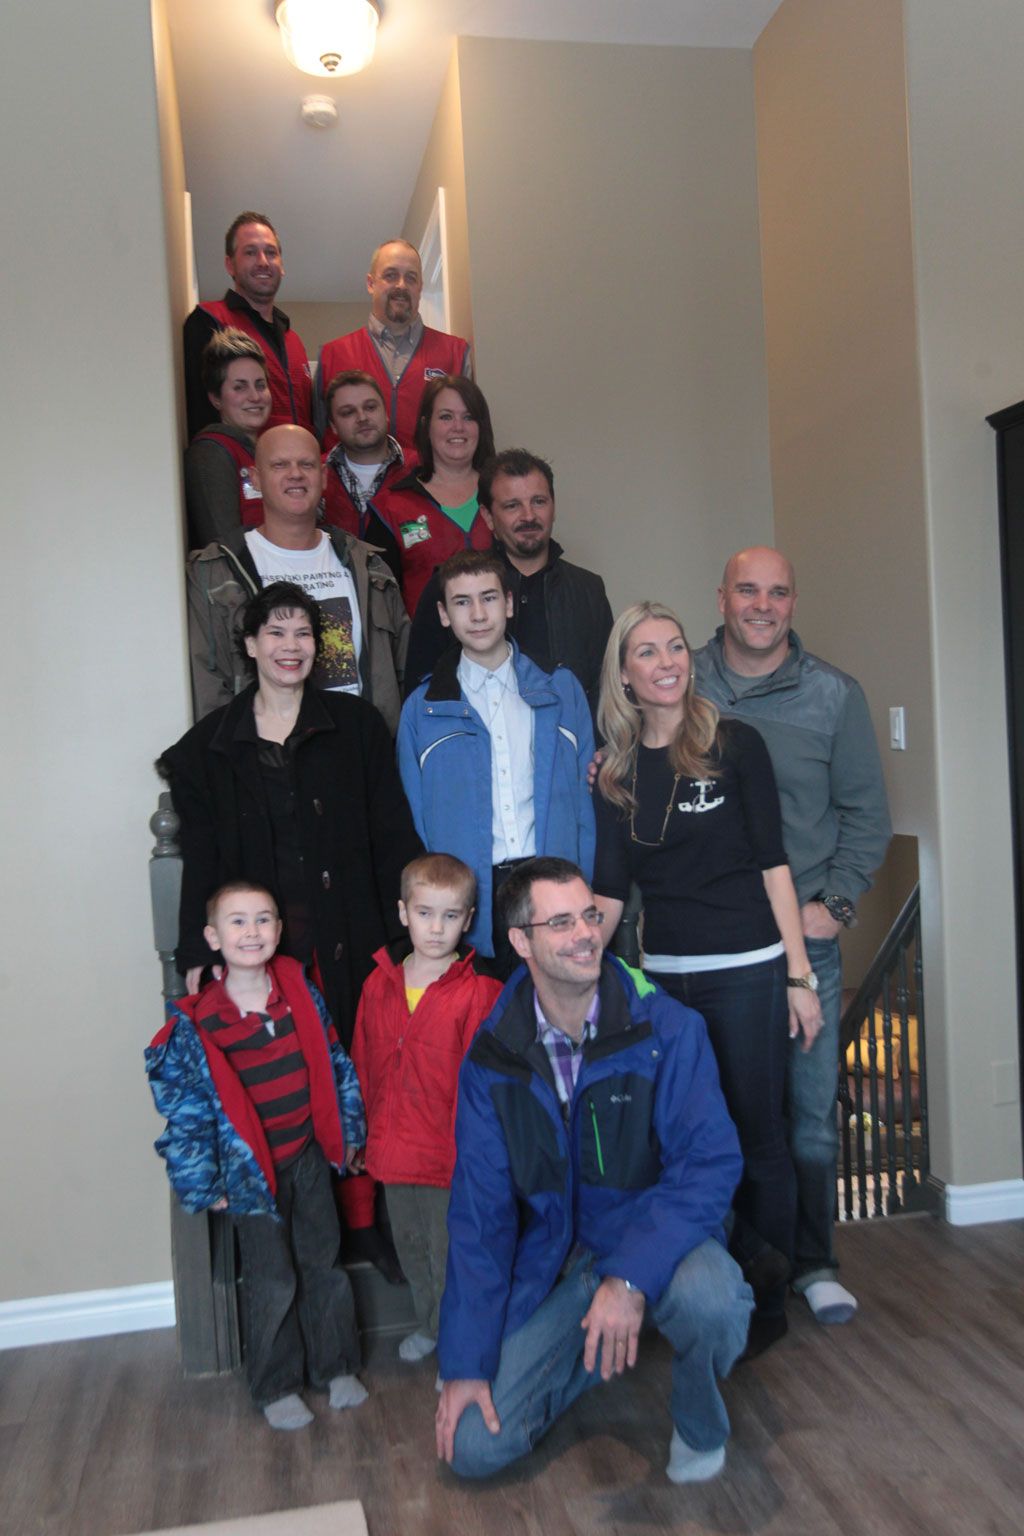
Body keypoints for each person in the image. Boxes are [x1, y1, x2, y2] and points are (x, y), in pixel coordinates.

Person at [435, 857, 752, 1483]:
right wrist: (466, 1364)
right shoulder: (493, 1057)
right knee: (471, 1448)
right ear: (521, 942)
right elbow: (479, 1217)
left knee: (713, 1301)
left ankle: (698, 1417)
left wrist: (630, 1279)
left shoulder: (668, 1028)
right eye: (561, 922)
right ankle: (591, 1348)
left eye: (589, 915)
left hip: (653, 1237)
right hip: (556, 1263)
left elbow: (710, 1166)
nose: (586, 933)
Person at [161, 581, 422, 1276]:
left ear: (320, 647)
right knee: (296, 1092)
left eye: (303, 633)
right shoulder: (210, 749)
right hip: (269, 955)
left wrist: (407, 930)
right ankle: (314, 1242)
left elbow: (391, 830)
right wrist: (197, 944)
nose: (290, 646)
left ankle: (371, 1227)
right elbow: (205, 858)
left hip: (354, 933)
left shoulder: (357, 725)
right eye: (275, 633)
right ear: (249, 645)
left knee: (362, 1081)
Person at [592, 601, 822, 1357]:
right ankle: (709, 1289)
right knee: (687, 1141)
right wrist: (572, 959)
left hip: (748, 971)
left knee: (759, 1135)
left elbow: (774, 863)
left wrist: (798, 975)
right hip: (666, 982)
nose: (666, 663)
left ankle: (769, 1303)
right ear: (623, 673)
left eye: (675, 648)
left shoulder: (733, 744)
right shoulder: (617, 772)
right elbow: (610, 887)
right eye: (646, 653)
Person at [694, 547, 891, 1327]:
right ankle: (733, 1263)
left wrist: (834, 907)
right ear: (722, 597)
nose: (763, 605)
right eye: (748, 589)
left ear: (793, 604)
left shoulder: (833, 696)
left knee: (808, 1115)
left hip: (801, 943)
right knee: (721, 1110)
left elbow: (867, 815)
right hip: (711, 941)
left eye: (778, 592)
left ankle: (813, 1263)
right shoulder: (685, 681)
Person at [145, 880, 368, 1430]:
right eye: (238, 922)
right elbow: (189, 1114)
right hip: (250, 1177)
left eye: (264, 919)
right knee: (272, 1280)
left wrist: (350, 1127)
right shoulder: (197, 1024)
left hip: (307, 1158)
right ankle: (275, 1384)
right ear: (212, 936)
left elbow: (336, 1062)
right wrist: (203, 1181)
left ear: (279, 930)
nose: (252, 932)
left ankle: (336, 1365)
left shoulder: (298, 992)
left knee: (324, 1266)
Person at [398, 551, 595, 975]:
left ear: (508, 603)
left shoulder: (560, 690)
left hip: (550, 884)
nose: (478, 614)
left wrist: (584, 892)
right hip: (471, 897)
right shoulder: (423, 708)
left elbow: (584, 804)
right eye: (462, 602)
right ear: (444, 614)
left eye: (488, 598)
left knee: (557, 1021)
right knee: (486, 1025)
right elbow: (418, 819)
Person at [350, 854, 502, 1364]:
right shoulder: (380, 983)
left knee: (451, 1253)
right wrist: (358, 1132)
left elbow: (484, 1084)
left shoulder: (479, 992)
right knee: (413, 1248)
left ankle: (461, 1347)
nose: (436, 929)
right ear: (403, 913)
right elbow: (364, 1060)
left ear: (469, 918)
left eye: (450, 916)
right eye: (424, 913)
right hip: (394, 1149)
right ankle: (430, 1325)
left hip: (449, 1154)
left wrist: (478, 1150)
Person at [187, 424, 408, 731]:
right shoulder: (215, 572)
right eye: (280, 464)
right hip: (267, 761)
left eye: (306, 464)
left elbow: (403, 670)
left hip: (359, 755)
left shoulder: (369, 567)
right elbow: (207, 684)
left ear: (324, 477)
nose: (295, 474)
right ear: (255, 479)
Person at [404, 449, 613, 713]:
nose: (528, 516)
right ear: (488, 517)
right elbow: (421, 693)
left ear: (553, 506)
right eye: (512, 505)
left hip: (573, 749)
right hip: (476, 748)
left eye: (539, 501)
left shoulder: (588, 590)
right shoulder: (449, 586)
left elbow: (608, 690)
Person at [316, 238, 471, 455]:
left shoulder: (455, 353)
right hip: (353, 487)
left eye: (411, 277)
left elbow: (468, 435)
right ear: (371, 283)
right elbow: (319, 438)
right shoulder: (332, 355)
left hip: (429, 486)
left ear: (420, 287)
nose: (401, 285)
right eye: (390, 275)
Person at [184, 211, 312, 438]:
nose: (263, 262)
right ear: (230, 265)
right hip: (241, 468)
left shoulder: (294, 341)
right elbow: (200, 417)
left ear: (281, 265)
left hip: (296, 468)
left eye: (271, 253)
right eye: (251, 252)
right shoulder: (208, 320)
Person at [375, 375, 496, 616]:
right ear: (425, 425)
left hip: (502, 648)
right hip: (426, 650)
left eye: (468, 417)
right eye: (446, 417)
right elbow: (382, 608)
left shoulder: (502, 495)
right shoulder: (392, 507)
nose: (458, 427)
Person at [184, 328, 270, 548]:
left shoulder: (268, 452)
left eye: (260, 385)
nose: (255, 396)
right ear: (216, 399)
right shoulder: (211, 452)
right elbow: (223, 547)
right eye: (240, 387)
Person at [321, 369, 405, 584]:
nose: (362, 418)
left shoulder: (420, 469)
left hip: (404, 605)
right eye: (348, 412)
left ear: (385, 412)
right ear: (333, 426)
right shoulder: (313, 473)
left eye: (370, 407)